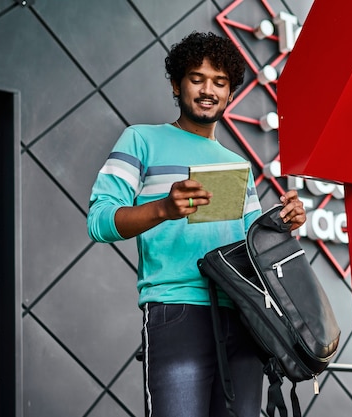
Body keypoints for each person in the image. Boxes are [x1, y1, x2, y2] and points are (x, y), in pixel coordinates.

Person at [87, 31, 306, 417]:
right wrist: (163, 209)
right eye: (197, 78)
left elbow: (253, 249)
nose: (208, 90)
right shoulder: (141, 140)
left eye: (220, 82)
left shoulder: (238, 165)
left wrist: (285, 222)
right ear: (176, 83)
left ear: (230, 93)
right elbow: (100, 221)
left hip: (243, 317)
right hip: (177, 311)